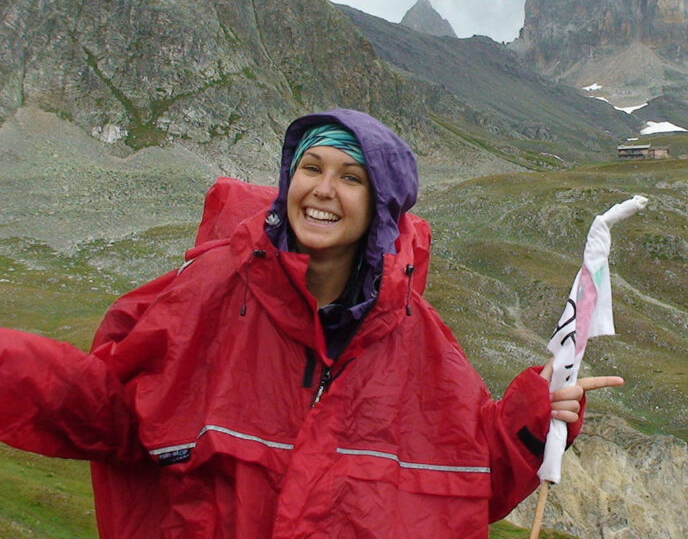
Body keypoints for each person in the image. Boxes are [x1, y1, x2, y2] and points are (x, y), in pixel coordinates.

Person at [0, 108, 622, 538]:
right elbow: (106, 404)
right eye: (311, 168)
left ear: (379, 208)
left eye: (351, 177)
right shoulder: (214, 290)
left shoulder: (414, 334)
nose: (324, 189)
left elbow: (464, 481)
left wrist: (534, 420)